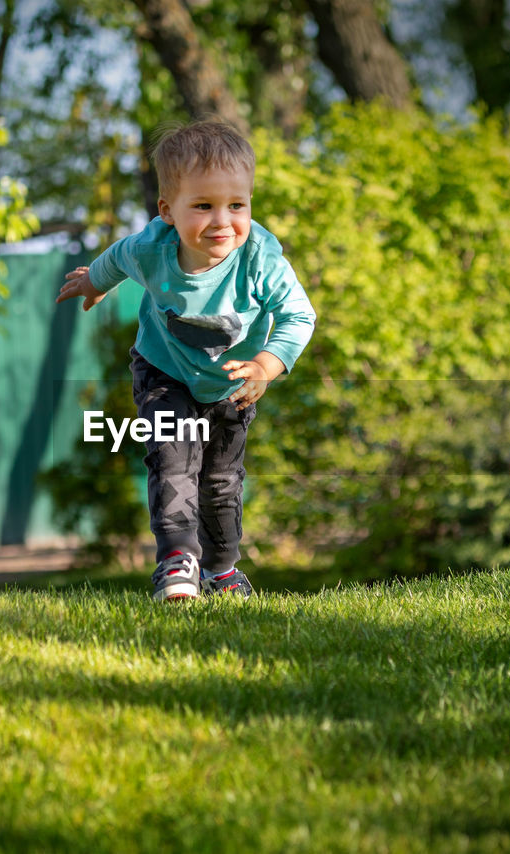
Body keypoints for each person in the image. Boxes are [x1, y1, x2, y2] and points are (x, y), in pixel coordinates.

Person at [57, 120, 316, 601]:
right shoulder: (151, 248)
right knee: (173, 460)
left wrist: (266, 365)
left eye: (237, 205)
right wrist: (94, 281)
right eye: (204, 206)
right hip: (163, 372)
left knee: (221, 479)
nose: (223, 220)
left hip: (233, 384)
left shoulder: (259, 257)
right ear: (167, 210)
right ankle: (178, 560)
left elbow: (299, 316)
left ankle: (222, 571)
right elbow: (117, 258)